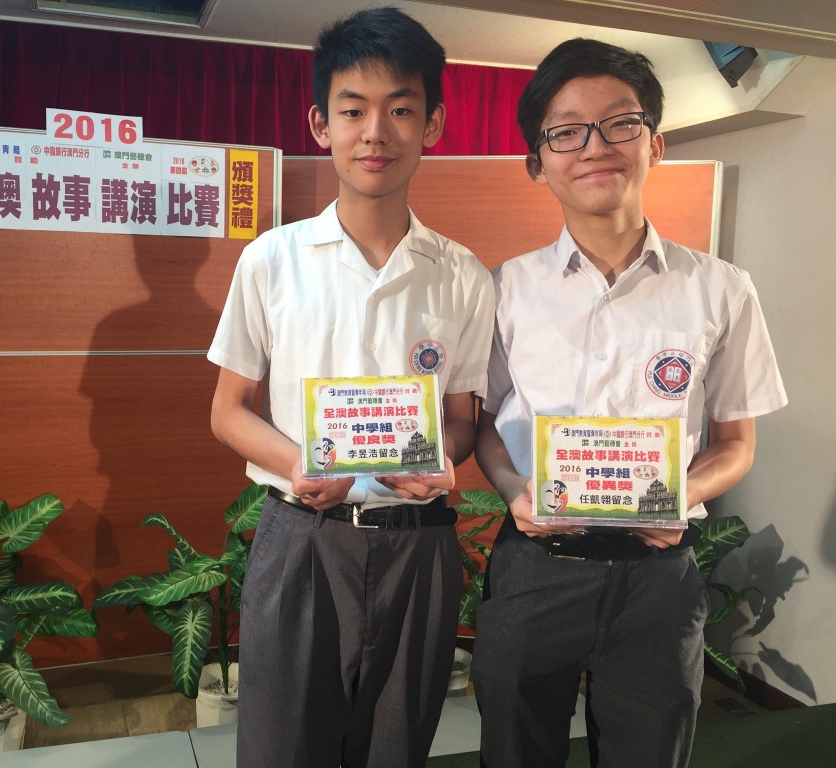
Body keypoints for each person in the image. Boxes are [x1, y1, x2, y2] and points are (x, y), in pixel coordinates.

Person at [472, 38, 787, 768]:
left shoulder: (721, 289)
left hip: (658, 577)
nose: (595, 146)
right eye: (566, 131)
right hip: (536, 567)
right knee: (514, 752)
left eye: (620, 122)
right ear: (537, 161)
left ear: (655, 143)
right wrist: (516, 491)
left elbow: (735, 442)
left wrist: (679, 494)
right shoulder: (506, 289)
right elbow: (484, 426)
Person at [206, 7, 495, 767]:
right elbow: (228, 412)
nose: (376, 133)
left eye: (400, 109)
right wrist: (299, 464)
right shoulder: (272, 260)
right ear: (320, 124)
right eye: (353, 110)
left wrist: (444, 461)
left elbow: (462, 419)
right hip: (301, 540)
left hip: (419, 546)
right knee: (282, 748)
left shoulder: (463, 275)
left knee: (397, 747)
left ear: (432, 125)